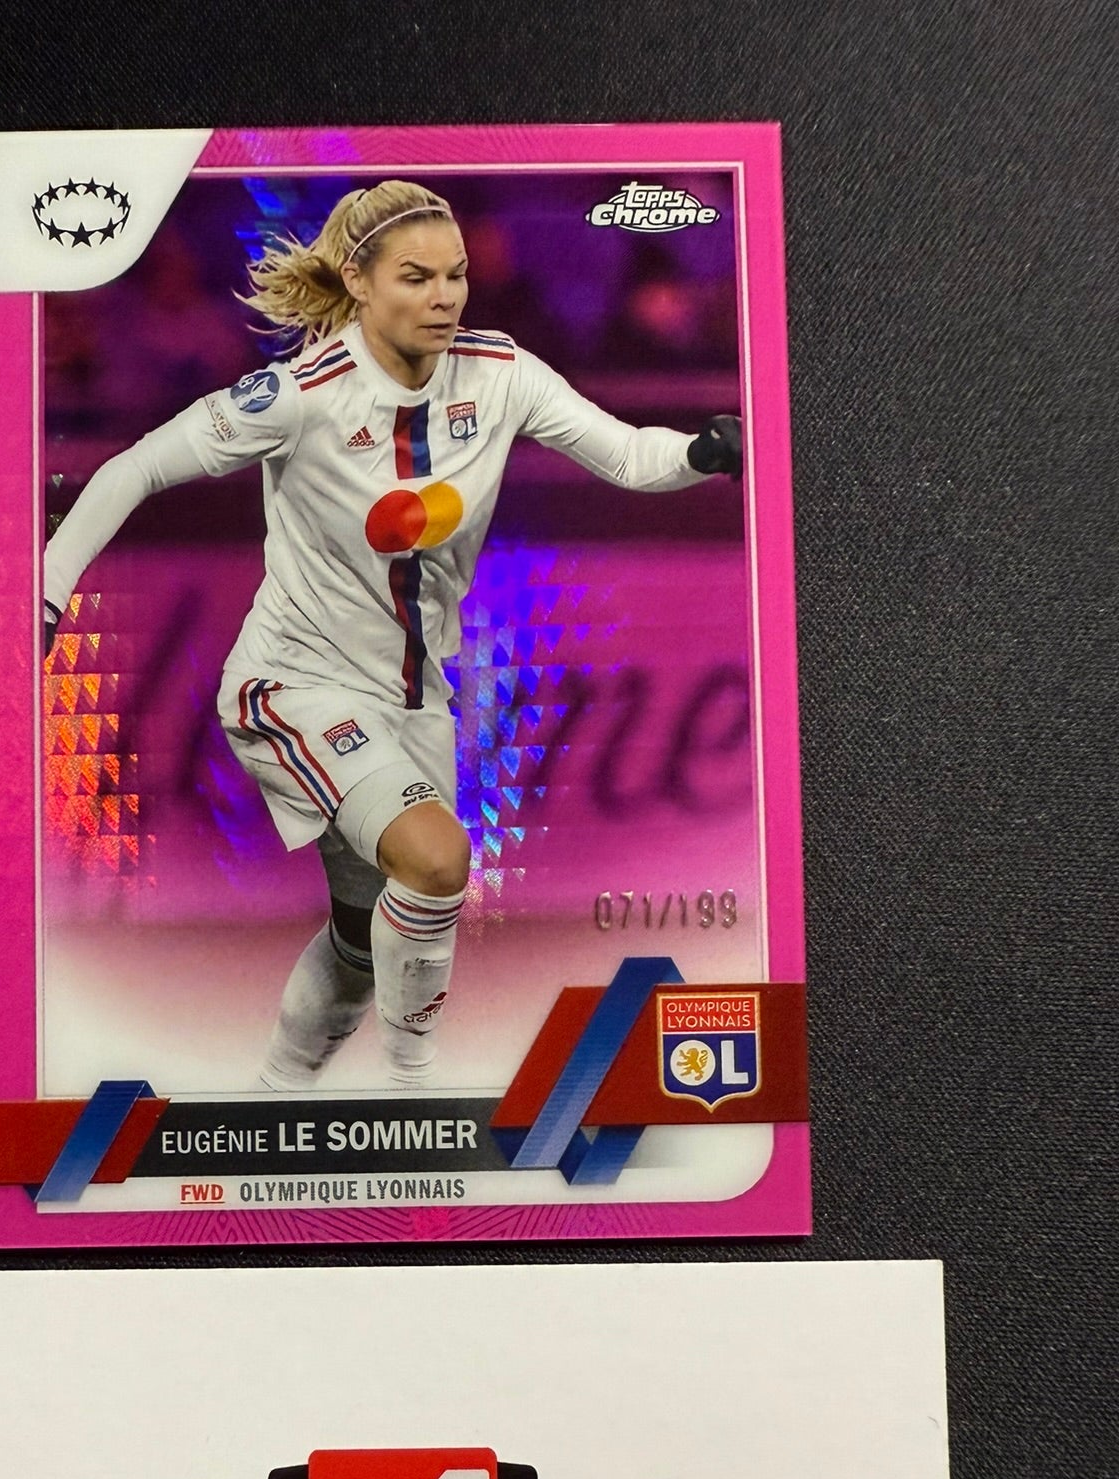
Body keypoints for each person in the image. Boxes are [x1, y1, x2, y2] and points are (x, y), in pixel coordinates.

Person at [42, 180, 743, 1091]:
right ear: (358, 282)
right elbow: (135, 468)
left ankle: (274, 1098)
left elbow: (625, 454)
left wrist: (703, 453)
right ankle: (415, 1090)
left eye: (456, 275)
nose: (445, 297)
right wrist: (46, 596)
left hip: (415, 702)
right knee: (438, 857)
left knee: (362, 935)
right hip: (292, 684)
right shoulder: (298, 395)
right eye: (416, 278)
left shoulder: (501, 373)